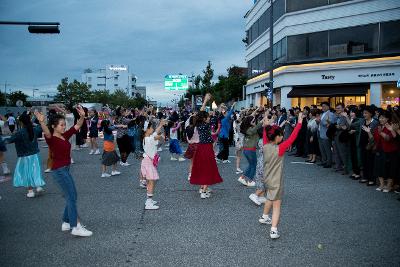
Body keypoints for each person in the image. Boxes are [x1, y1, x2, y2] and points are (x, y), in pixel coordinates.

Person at [35, 106, 93, 237]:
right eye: (61, 125)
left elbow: (77, 126)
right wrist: (42, 122)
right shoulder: (52, 139)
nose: (63, 127)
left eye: (64, 124)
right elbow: (46, 132)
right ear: (54, 126)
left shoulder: (64, 136)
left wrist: (83, 116)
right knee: (72, 197)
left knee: (71, 196)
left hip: (65, 169)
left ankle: (66, 222)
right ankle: (76, 226)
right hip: (59, 171)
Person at [259, 111, 304, 239]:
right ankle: (273, 230)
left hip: (267, 179)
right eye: (281, 135)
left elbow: (265, 134)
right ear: (277, 137)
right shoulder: (280, 148)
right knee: (277, 205)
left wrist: (266, 125)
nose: (283, 137)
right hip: (276, 181)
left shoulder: (265, 145)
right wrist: (299, 123)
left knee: (269, 197)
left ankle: (264, 216)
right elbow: (292, 138)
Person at [190, 93, 223, 199]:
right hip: (206, 148)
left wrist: (205, 101)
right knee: (208, 168)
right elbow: (201, 113)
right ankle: (203, 191)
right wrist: (205, 101)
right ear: (204, 119)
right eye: (207, 117)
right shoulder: (205, 124)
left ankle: (202, 188)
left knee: (202, 168)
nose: (209, 118)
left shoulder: (200, 125)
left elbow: (200, 113)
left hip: (201, 147)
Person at [6, 112, 45, 198]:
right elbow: (41, 128)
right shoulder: (34, 129)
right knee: (35, 171)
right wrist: (41, 120)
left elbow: (9, 140)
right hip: (35, 154)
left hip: (24, 156)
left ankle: (30, 191)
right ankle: (38, 186)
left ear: (21, 122)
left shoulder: (20, 133)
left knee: (26, 172)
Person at [141, 119, 167, 210]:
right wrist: (162, 136)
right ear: (147, 129)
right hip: (149, 162)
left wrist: (160, 125)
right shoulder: (148, 139)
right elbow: (156, 136)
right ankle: (149, 201)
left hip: (147, 161)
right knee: (151, 181)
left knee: (150, 181)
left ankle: (149, 200)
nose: (153, 129)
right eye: (151, 127)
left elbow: (155, 133)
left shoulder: (146, 137)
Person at [238, 108, 263, 187]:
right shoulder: (249, 129)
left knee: (251, 164)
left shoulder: (248, 128)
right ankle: (249, 180)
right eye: (253, 121)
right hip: (250, 150)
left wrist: (257, 110)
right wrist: (262, 121)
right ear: (250, 122)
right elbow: (254, 129)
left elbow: (250, 118)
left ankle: (242, 177)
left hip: (247, 150)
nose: (254, 121)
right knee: (253, 165)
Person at [359, 106, 379, 185]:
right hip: (362, 143)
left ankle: (372, 179)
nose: (364, 115)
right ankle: (365, 177)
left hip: (371, 144)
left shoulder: (375, 122)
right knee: (364, 161)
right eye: (363, 113)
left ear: (371, 113)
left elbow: (375, 135)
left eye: (366, 113)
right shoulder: (362, 121)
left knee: (370, 161)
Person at [318, 102, 336, 168]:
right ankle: (324, 161)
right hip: (321, 133)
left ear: (328, 107)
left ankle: (329, 162)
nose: (323, 107)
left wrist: (320, 121)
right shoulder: (322, 114)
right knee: (322, 149)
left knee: (327, 149)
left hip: (326, 133)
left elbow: (329, 124)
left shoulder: (330, 114)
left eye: (324, 106)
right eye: (322, 106)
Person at [184, 115, 199, 181]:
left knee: (192, 162)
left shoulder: (187, 127)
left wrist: (191, 116)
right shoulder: (197, 128)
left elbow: (187, 121)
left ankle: (190, 175)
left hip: (190, 145)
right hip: (197, 146)